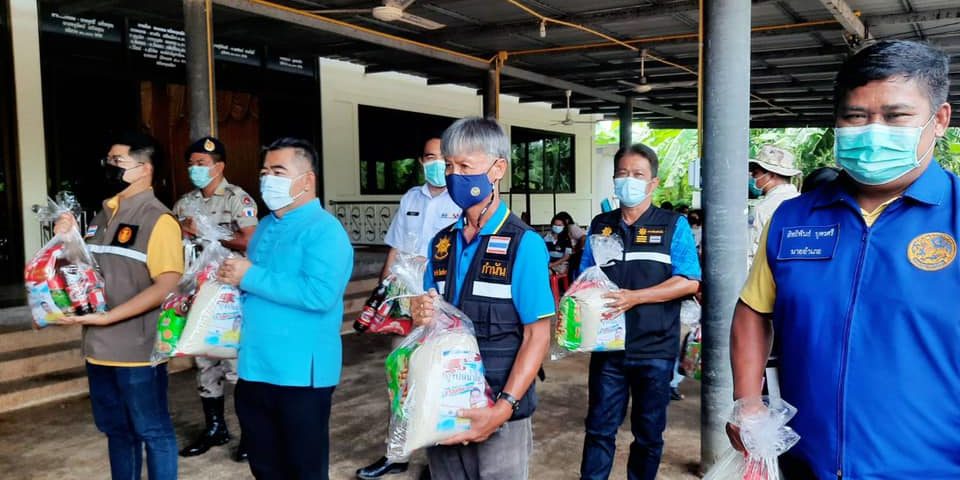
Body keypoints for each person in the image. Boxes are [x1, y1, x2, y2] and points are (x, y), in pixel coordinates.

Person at [730, 40, 960, 479]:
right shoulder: (793, 218)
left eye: (895, 116)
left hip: (931, 467)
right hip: (805, 464)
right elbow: (753, 311)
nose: (873, 131)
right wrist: (749, 402)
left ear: (940, 119)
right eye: (856, 116)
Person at [410, 117, 554, 480]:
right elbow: (431, 320)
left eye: (465, 166)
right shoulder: (442, 243)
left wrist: (502, 409)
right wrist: (420, 312)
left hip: (498, 411)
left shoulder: (524, 244)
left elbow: (537, 336)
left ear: (497, 169)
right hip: (444, 406)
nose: (454, 176)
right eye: (449, 166)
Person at [217, 137, 353, 480]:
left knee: (303, 470)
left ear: (307, 180)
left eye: (278, 172)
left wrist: (249, 276)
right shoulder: (265, 226)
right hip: (254, 367)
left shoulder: (325, 230)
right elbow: (253, 285)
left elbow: (320, 294)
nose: (268, 179)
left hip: (300, 376)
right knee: (265, 468)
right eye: (264, 172)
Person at [54, 132, 183, 480]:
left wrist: (109, 317)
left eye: (117, 161)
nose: (109, 167)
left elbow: (166, 286)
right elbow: (86, 271)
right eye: (108, 161)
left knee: (153, 431)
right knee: (117, 432)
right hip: (98, 349)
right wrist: (67, 238)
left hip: (137, 352)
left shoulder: (158, 219)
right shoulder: (103, 214)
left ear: (145, 168)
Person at [578, 143, 701, 480]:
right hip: (607, 349)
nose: (628, 180)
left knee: (648, 435)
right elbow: (585, 276)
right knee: (599, 429)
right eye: (622, 173)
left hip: (654, 349)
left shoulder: (672, 225)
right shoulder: (601, 225)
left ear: (653, 183)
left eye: (637, 174)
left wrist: (636, 297)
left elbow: (689, 281)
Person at [357, 136, 461, 480]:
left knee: (438, 377)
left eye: (443, 157)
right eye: (431, 157)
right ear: (421, 161)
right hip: (405, 302)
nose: (437, 164)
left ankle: (438, 459)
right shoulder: (411, 198)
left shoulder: (460, 198)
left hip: (441, 302)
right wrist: (382, 293)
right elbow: (396, 247)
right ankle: (397, 452)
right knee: (400, 374)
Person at [172, 136, 258, 461]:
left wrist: (210, 233)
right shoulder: (185, 204)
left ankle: (251, 433)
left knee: (235, 362)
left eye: (201, 164)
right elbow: (175, 241)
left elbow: (250, 241)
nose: (194, 169)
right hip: (199, 289)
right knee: (205, 360)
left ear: (219, 166)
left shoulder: (237, 199)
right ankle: (215, 428)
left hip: (231, 292)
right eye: (191, 164)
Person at [747, 145, 801, 266]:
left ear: (771, 175)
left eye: (755, 173)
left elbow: (751, 253)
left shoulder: (762, 209)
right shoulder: (803, 202)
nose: (752, 177)